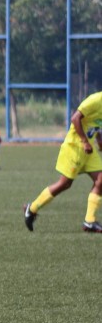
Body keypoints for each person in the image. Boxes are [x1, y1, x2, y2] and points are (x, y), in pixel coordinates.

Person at [23, 90, 102, 233]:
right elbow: (75, 118)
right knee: (65, 184)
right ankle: (32, 208)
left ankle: (89, 221)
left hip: (89, 150)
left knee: (101, 180)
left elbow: (95, 124)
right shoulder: (95, 99)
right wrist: (84, 141)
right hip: (75, 147)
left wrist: (99, 139)